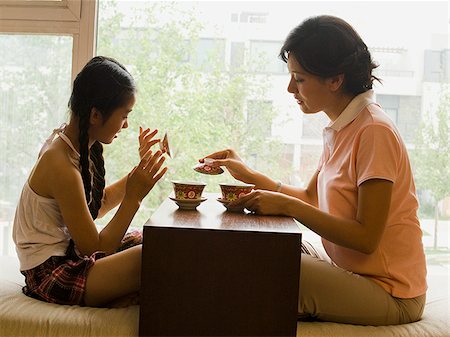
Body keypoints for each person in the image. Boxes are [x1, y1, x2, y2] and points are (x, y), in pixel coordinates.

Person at [201, 15, 427, 326]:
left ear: (335, 79)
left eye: (300, 78)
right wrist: (250, 176)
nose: (290, 87)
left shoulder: (374, 131)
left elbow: (366, 238)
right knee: (254, 248)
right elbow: (311, 196)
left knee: (260, 267)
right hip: (351, 273)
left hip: (390, 292)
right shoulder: (344, 126)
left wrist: (286, 205)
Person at [13, 56, 168, 307]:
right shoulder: (59, 163)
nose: (126, 125)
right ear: (95, 114)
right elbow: (95, 249)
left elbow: (96, 205)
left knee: (158, 238)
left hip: (71, 255)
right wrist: (134, 197)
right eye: (124, 115)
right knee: (151, 256)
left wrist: (140, 172)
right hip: (50, 272)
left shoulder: (77, 144)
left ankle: (118, 296)